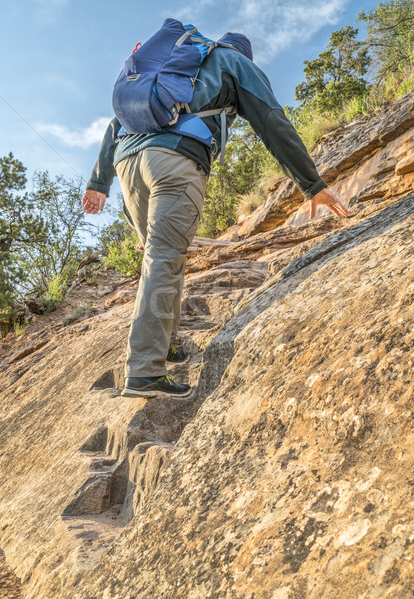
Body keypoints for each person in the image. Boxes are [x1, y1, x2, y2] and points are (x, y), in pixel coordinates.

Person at [82, 27, 349, 398]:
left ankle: (164, 344)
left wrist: (99, 182)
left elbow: (116, 123)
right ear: (242, 53)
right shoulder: (233, 61)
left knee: (160, 258)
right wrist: (312, 185)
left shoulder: (169, 69)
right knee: (164, 257)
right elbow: (271, 119)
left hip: (127, 163)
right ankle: (144, 372)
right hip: (173, 160)